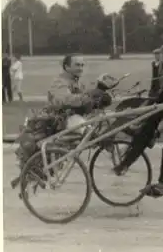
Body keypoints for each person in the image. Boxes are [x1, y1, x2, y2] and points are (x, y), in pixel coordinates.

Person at [11, 54, 112, 189]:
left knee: (99, 120)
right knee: (86, 127)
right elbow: (65, 100)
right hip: (57, 122)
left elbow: (83, 102)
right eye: (77, 65)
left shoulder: (77, 81)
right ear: (66, 66)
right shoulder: (59, 82)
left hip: (71, 119)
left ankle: (102, 139)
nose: (81, 68)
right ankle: (102, 140)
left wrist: (97, 99)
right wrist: (89, 96)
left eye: (82, 65)